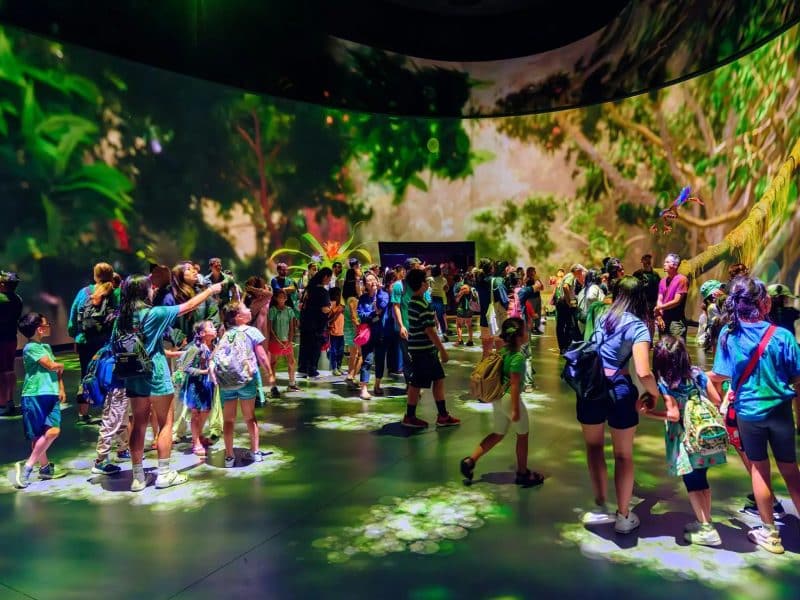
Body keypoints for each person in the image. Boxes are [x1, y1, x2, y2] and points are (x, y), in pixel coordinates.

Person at [708, 276, 800, 554]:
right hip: (781, 412)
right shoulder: (783, 335)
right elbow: (798, 380)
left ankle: (770, 533)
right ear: (764, 302)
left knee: (759, 469)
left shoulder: (728, 335)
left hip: (749, 414)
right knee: (790, 470)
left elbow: (721, 376)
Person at [120, 274, 222, 492]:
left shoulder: (123, 318)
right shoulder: (155, 312)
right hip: (155, 374)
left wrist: (164, 350)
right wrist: (211, 291)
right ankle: (164, 473)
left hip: (133, 374)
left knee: (138, 423)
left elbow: (123, 345)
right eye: (150, 287)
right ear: (143, 291)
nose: (153, 289)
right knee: (165, 422)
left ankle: (137, 477)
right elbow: (189, 305)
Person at [577, 276, 659, 533]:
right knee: (623, 455)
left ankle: (601, 504)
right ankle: (623, 516)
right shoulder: (638, 326)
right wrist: (654, 394)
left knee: (593, 447)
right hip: (619, 391)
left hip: (590, 388)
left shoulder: (602, 316)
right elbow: (644, 372)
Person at [646, 336, 726, 546]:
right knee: (702, 480)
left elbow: (673, 415)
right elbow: (717, 400)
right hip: (704, 437)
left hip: (685, 439)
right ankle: (705, 521)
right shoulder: (698, 374)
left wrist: (650, 413)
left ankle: (707, 529)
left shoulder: (665, 383)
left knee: (692, 483)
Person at [459, 317, 544, 486]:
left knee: (498, 433)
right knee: (523, 435)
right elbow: (514, 384)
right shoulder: (518, 357)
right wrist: (515, 409)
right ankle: (522, 473)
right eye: (525, 331)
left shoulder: (503, 351)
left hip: (497, 399)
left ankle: (470, 460)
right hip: (508, 400)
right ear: (519, 337)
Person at [215, 301, 273, 468]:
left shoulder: (224, 332)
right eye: (246, 308)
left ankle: (229, 456)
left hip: (227, 383)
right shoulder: (252, 332)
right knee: (250, 417)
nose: (249, 310)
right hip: (246, 380)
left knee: (228, 420)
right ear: (239, 317)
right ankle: (255, 452)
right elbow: (262, 356)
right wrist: (270, 373)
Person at [401, 268, 460, 429]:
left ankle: (442, 415)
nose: (428, 283)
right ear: (421, 284)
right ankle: (410, 416)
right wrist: (442, 349)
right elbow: (430, 330)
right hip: (423, 351)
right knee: (416, 383)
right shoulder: (422, 304)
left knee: (438, 379)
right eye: (426, 281)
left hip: (422, 349)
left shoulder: (413, 301)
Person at [14, 313, 66, 488]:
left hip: (50, 394)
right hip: (34, 394)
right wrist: (60, 365)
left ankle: (34, 466)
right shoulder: (31, 348)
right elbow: (51, 366)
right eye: (46, 323)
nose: (49, 326)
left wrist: (61, 387)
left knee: (52, 431)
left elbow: (56, 372)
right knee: (39, 435)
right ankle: (37, 467)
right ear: (39, 328)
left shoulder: (46, 347)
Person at [67, 262, 119, 423]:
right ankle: (107, 412)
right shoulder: (115, 293)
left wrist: (76, 336)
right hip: (106, 342)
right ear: (111, 275)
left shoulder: (83, 293)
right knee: (107, 374)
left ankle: (83, 413)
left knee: (85, 375)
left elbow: (72, 321)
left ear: (94, 275)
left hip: (85, 341)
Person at [177, 320, 217, 457]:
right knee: (196, 413)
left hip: (208, 383)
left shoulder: (213, 346)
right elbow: (185, 367)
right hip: (196, 384)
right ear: (202, 333)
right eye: (211, 327)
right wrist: (203, 372)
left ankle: (198, 435)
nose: (214, 328)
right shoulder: (196, 348)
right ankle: (196, 442)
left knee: (206, 410)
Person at [356, 272, 389, 400]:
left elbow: (382, 305)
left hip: (381, 333)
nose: (372, 282)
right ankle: (363, 388)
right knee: (367, 360)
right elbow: (361, 315)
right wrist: (374, 314)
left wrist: (379, 291)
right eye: (368, 280)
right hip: (368, 334)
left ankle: (377, 385)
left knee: (380, 360)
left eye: (373, 279)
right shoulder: (363, 298)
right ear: (365, 284)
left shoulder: (384, 294)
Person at [297, 268, 332, 378]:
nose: (329, 280)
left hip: (306, 322)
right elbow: (325, 309)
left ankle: (302, 367)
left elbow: (301, 305)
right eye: (329, 278)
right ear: (325, 277)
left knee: (304, 345)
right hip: (317, 324)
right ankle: (312, 369)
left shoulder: (308, 289)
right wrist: (331, 310)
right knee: (315, 346)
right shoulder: (323, 292)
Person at [267, 288, 300, 396]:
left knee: (292, 362)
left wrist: (290, 341)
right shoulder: (272, 310)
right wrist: (277, 340)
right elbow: (270, 328)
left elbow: (292, 327)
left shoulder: (289, 310)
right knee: (273, 363)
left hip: (287, 341)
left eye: (284, 296)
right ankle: (273, 386)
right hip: (275, 341)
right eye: (280, 296)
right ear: (276, 298)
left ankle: (292, 384)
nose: (283, 298)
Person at [0, 271, 23, 416]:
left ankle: (2, 404)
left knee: (1, 372)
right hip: (11, 339)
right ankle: (9, 401)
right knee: (9, 370)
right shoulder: (17, 299)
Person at [655, 253, 689, 340]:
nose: (664, 264)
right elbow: (660, 299)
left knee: (677, 349)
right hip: (663, 320)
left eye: (667, 262)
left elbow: (677, 301)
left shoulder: (682, 279)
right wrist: (659, 316)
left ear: (675, 265)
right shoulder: (662, 281)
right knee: (663, 350)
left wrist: (659, 307)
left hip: (676, 322)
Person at [554, 264, 586, 354]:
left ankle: (564, 346)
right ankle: (564, 346)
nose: (581, 273)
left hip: (562, 302)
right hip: (564, 302)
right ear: (576, 270)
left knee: (563, 325)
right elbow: (565, 287)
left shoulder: (570, 276)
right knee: (567, 324)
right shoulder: (571, 276)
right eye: (580, 270)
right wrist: (569, 301)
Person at [342, 266, 363, 388]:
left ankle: (350, 376)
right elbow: (355, 318)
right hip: (354, 331)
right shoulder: (353, 300)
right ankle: (352, 376)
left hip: (349, 331)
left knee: (353, 354)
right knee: (361, 355)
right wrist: (360, 331)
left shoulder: (348, 299)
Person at [633, 254, 661, 319]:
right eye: (645, 260)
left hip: (653, 302)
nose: (646, 262)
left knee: (652, 320)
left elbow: (659, 288)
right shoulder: (637, 274)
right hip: (641, 303)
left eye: (648, 260)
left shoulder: (655, 275)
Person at [327, 287, 345, 376]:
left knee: (341, 350)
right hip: (333, 330)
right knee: (334, 350)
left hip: (341, 330)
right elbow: (329, 315)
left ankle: (339, 366)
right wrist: (338, 310)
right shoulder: (332, 304)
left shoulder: (341, 305)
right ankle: (334, 367)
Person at [429, 265, 449, 342]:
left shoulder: (429, 279)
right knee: (440, 317)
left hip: (431, 299)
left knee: (431, 317)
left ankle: (432, 335)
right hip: (439, 299)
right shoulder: (443, 279)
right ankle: (444, 334)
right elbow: (446, 288)